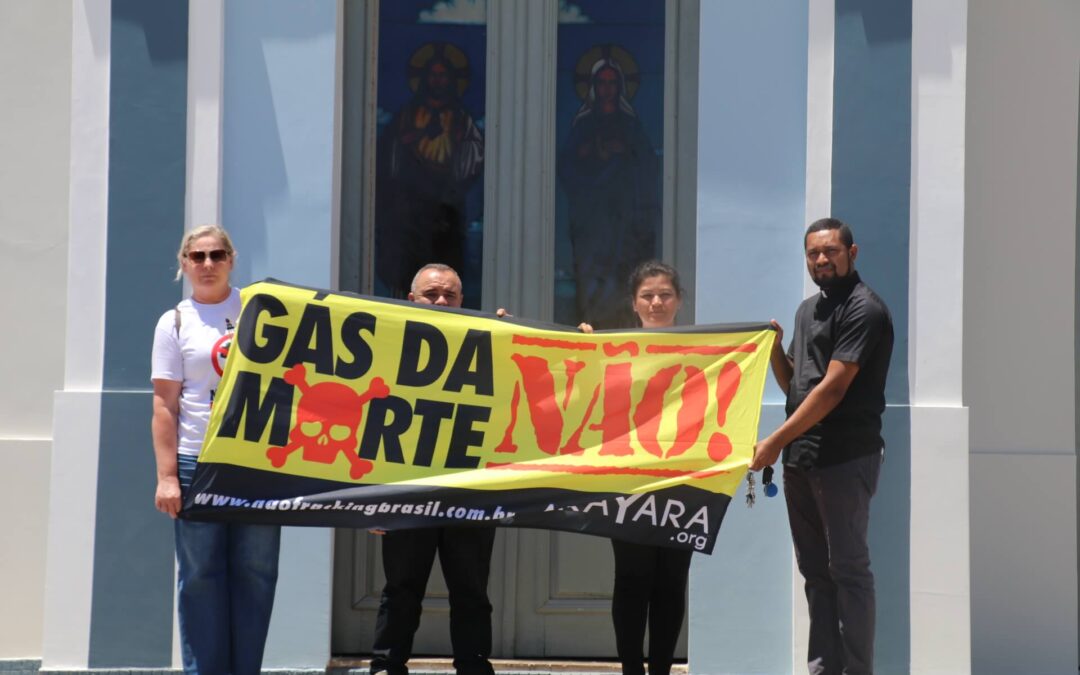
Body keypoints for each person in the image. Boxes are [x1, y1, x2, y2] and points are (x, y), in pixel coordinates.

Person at [751, 218, 894, 675]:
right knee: (816, 575)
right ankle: (823, 670)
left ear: (853, 253)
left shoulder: (864, 309)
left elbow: (833, 389)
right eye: (813, 253)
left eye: (830, 251)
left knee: (849, 572)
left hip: (845, 457)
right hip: (801, 460)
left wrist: (774, 440)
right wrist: (774, 349)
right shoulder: (807, 309)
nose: (821, 259)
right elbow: (797, 383)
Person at [151, 225, 281, 674]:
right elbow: (165, 405)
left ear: (232, 259)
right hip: (195, 464)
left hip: (254, 463)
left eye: (217, 254)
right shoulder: (175, 322)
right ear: (184, 263)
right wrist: (168, 476)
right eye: (198, 256)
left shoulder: (258, 311)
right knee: (201, 579)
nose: (208, 264)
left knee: (256, 575)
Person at [369, 264, 496, 675]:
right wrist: (370, 497)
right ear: (411, 300)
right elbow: (366, 417)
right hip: (406, 490)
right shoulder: (387, 346)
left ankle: (474, 669)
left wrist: (515, 341)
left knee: (471, 592)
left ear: (462, 300)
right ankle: (386, 668)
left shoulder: (490, 342)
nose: (442, 301)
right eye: (432, 294)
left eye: (451, 295)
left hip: (470, 489)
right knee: (401, 590)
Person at [580, 260, 691, 675]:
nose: (656, 302)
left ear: (679, 301)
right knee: (631, 576)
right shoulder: (615, 350)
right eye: (648, 295)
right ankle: (631, 670)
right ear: (634, 304)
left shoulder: (703, 350)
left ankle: (661, 669)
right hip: (626, 478)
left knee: (671, 580)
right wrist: (583, 348)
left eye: (664, 294)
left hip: (684, 477)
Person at [558, 54, 661, 329]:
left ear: (619, 87)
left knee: (624, 278)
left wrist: (623, 154)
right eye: (601, 83)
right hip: (591, 223)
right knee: (591, 280)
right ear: (593, 87)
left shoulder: (631, 125)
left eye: (611, 82)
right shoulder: (583, 125)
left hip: (626, 222)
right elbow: (566, 168)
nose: (606, 89)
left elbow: (648, 165)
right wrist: (591, 154)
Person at [375, 44, 484, 299]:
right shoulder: (407, 116)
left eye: (443, 75)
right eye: (433, 75)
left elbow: (473, 156)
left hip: (446, 212)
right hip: (410, 209)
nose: (438, 80)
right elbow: (391, 155)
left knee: (446, 263)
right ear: (424, 79)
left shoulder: (460, 118)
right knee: (407, 267)